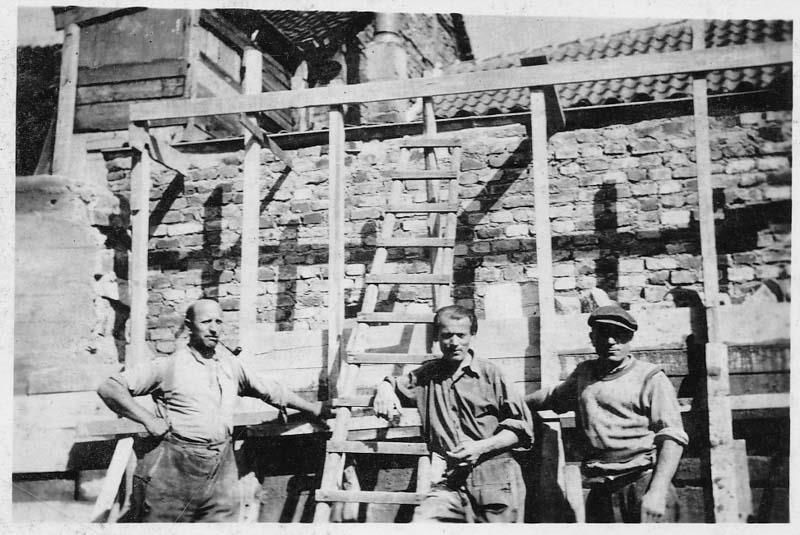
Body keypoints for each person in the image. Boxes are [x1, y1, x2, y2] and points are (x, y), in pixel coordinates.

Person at [97, 298, 331, 522]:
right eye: (206, 322)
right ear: (189, 327)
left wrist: (312, 408)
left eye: (218, 322)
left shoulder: (230, 366)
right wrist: (148, 420)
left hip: (222, 468)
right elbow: (110, 387)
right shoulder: (169, 365)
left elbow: (271, 390)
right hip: (175, 468)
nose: (213, 329)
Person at [526, 304, 688, 523]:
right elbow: (551, 397)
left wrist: (657, 492)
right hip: (601, 489)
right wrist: (513, 403)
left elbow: (672, 437)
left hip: (644, 484)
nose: (611, 341)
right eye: (604, 334)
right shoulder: (584, 375)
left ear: (630, 338)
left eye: (619, 335)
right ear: (592, 337)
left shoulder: (650, 378)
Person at [373, 305, 533, 523]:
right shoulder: (427, 375)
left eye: (461, 335)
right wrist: (384, 388)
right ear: (437, 338)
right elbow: (395, 383)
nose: (454, 342)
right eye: (447, 335)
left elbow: (522, 429)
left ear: (472, 336)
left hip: (495, 478)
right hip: (449, 480)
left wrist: (480, 447)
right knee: (423, 523)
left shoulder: (491, 374)